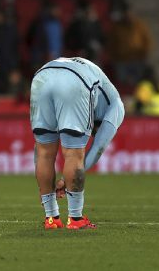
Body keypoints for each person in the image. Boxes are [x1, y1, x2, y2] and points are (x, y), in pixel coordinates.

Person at [30, 56, 124, 230]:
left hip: (42, 76)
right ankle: (75, 219)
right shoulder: (117, 105)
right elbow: (98, 147)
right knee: (74, 152)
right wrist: (67, 181)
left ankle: (51, 218)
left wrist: (56, 182)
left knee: (44, 151)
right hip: (75, 82)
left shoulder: (98, 77)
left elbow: (38, 151)